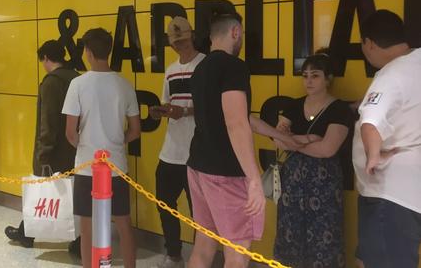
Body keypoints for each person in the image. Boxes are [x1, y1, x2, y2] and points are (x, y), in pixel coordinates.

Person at [187, 13, 298, 268]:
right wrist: (254, 180)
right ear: (235, 32)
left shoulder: (200, 69)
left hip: (199, 167)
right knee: (237, 253)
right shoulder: (233, 66)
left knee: (203, 246)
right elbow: (235, 123)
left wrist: (279, 135)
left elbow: (240, 116)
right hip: (227, 174)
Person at [63, 28, 140, 268]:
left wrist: (86, 146)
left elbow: (69, 132)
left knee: (87, 227)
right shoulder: (125, 85)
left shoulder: (77, 84)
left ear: (87, 51)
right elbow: (136, 130)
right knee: (124, 224)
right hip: (117, 164)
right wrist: (115, 142)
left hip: (87, 166)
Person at [272, 50, 354, 268]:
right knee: (290, 232)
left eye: (315, 75)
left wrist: (293, 143)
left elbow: (328, 148)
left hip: (324, 184)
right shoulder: (293, 105)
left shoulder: (339, 109)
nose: (308, 81)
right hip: (292, 183)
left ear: (328, 79)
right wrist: (308, 138)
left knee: (324, 235)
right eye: (305, 75)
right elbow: (278, 140)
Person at [352, 10, 421, 268]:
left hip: (389, 194)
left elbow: (371, 121)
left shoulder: (391, 74)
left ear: (369, 43)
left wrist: (373, 155)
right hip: (413, 192)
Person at [4, 40, 81, 255]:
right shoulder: (76, 78)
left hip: (54, 149)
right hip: (75, 147)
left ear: (46, 58)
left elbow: (48, 121)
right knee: (75, 194)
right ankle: (78, 240)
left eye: (43, 60)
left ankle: (27, 233)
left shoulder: (51, 82)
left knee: (41, 190)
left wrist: (43, 152)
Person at [149, 17, 204, 268]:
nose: (179, 46)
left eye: (182, 40)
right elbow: (167, 101)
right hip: (171, 150)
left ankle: (201, 257)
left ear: (192, 36)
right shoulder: (170, 70)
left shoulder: (205, 64)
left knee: (200, 214)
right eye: (174, 42)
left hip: (198, 152)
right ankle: (174, 254)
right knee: (164, 204)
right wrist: (160, 112)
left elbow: (214, 106)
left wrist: (186, 112)